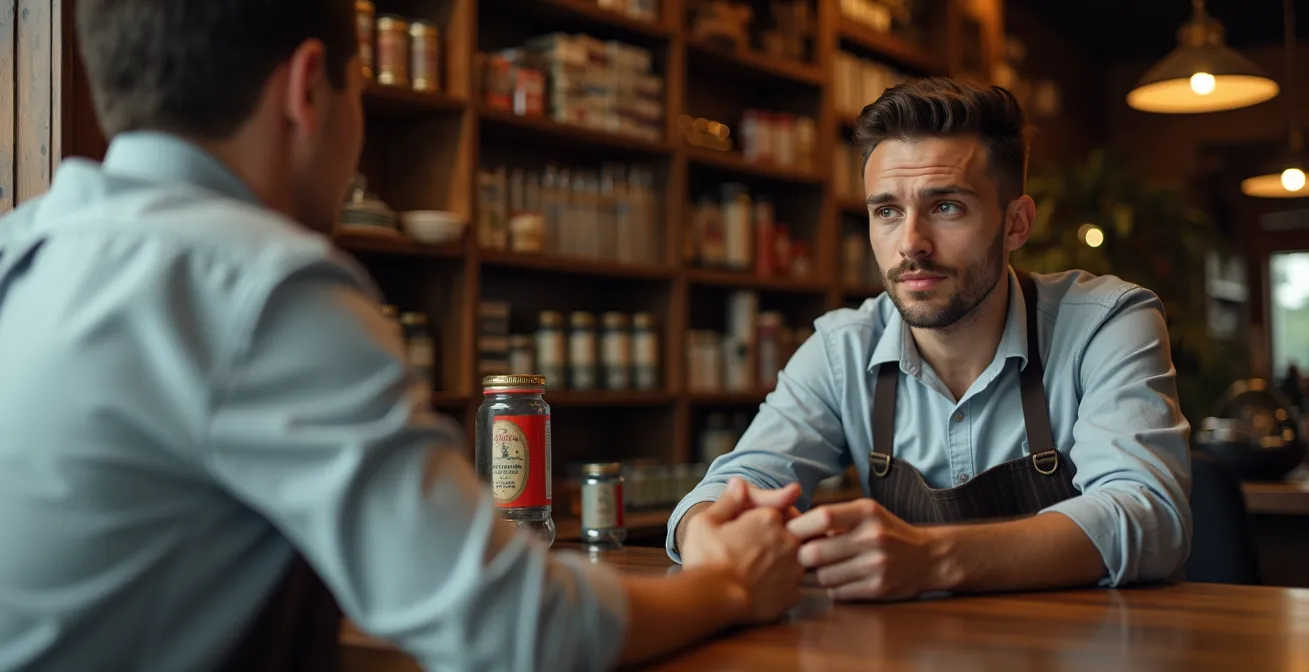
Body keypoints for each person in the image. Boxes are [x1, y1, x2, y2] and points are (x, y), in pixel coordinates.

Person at [0, 2, 804, 670]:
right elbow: (514, 630)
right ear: (308, 89)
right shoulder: (260, 282)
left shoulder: (24, 245)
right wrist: (728, 585)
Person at [668, 78, 1194, 600]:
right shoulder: (841, 350)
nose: (911, 244)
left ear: (1016, 223)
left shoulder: (1106, 322)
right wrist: (708, 533)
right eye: (887, 211)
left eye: (946, 207)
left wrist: (932, 557)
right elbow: (732, 485)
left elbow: (1149, 515)